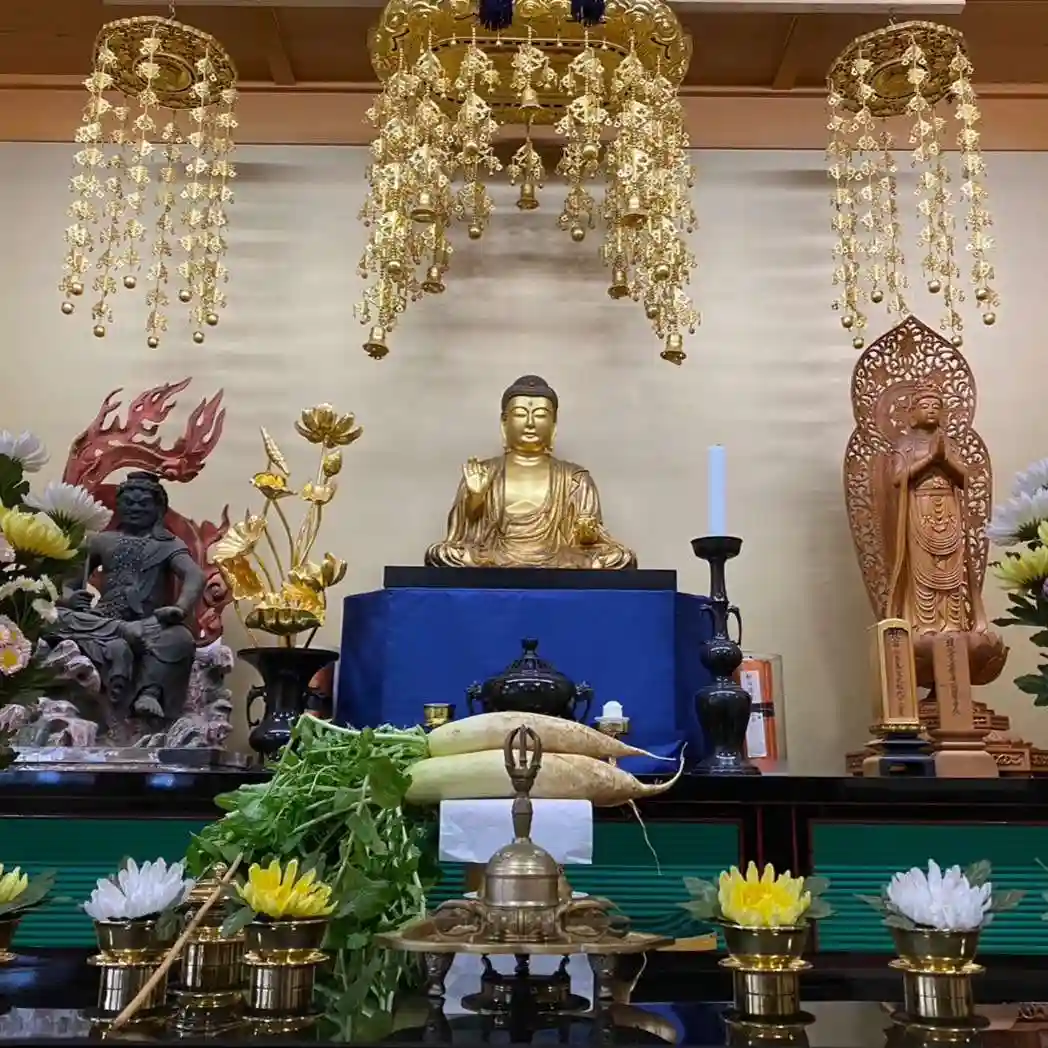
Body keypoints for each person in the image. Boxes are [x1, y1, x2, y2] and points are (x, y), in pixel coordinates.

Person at [425, 375, 637, 569]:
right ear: (504, 422)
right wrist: (476, 498)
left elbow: (588, 539)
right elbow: (464, 537)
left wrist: (586, 534)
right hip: (496, 554)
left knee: (620, 557)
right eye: (520, 414)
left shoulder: (574, 479)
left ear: (554, 424)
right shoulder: (482, 473)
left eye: (541, 415)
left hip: (556, 557)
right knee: (442, 554)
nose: (530, 423)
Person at [47, 471, 204, 720]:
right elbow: (67, 585)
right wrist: (70, 598)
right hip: (102, 619)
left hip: (148, 623)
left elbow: (194, 575)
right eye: (128, 503)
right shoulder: (101, 541)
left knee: (180, 638)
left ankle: (149, 692)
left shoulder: (169, 545)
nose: (135, 508)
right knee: (52, 617)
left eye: (143, 503)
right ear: (118, 506)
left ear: (159, 509)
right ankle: (121, 631)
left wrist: (180, 608)